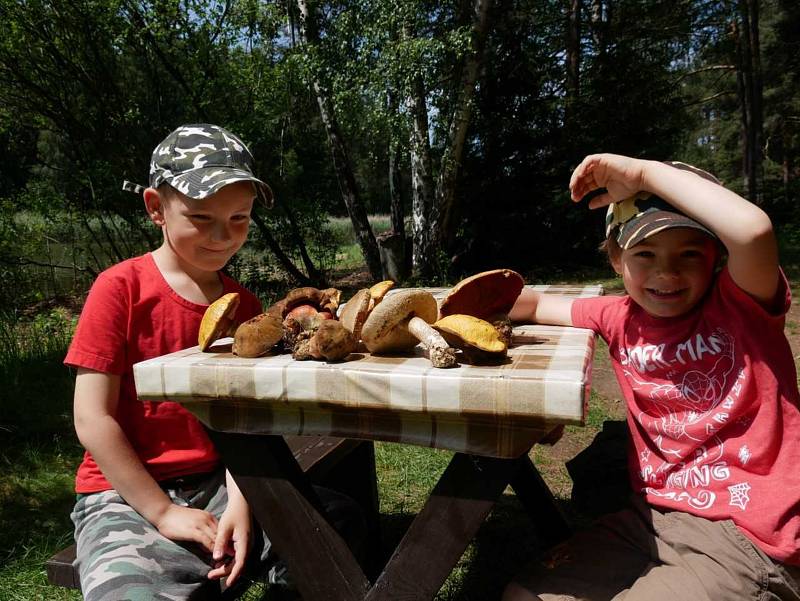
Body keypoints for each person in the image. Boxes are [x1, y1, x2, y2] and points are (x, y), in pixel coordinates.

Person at [65, 124, 362, 601]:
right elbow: (92, 419)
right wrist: (162, 512)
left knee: (332, 529)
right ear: (156, 208)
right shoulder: (120, 289)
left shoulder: (245, 308)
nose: (222, 236)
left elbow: (248, 417)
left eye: (239, 218)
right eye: (201, 217)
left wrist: (243, 503)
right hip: (124, 494)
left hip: (226, 478)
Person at [504, 154, 800, 601]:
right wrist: (464, 303)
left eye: (689, 253)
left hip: (748, 535)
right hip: (652, 518)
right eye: (645, 254)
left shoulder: (741, 307)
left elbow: (753, 232)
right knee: (524, 593)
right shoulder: (617, 315)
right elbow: (535, 305)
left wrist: (643, 176)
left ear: (717, 257)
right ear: (617, 259)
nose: (666, 272)